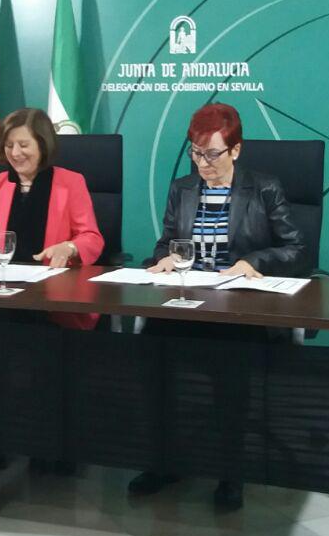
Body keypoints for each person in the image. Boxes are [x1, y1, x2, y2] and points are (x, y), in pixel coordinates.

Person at [130, 102, 307, 511]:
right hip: (188, 302)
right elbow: (166, 242)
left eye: (212, 154)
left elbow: (297, 249)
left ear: (236, 150)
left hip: (239, 309)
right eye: (196, 153)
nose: (202, 164)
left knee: (231, 365)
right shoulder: (183, 189)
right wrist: (164, 259)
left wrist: (254, 261)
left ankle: (231, 472)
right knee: (150, 354)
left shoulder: (264, 188)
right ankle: (163, 461)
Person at [0, 107, 104, 329]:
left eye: (23, 145)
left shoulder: (70, 183)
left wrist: (70, 247)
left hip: (51, 294)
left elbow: (91, 237)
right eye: (9, 146)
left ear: (43, 145)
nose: (15, 153)